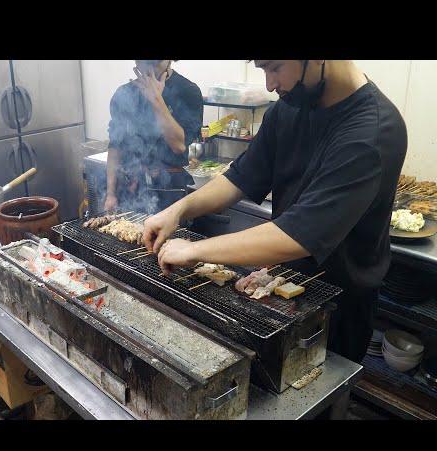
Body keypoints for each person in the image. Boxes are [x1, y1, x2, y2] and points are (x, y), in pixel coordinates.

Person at [143, 60, 407, 363]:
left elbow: (298, 235)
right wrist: (178, 209)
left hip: (337, 308)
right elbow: (240, 177)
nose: (269, 84)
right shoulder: (290, 106)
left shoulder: (372, 132)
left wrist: (194, 250)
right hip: (278, 284)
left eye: (275, 67)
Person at [104, 60, 203, 214]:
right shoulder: (124, 94)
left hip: (170, 189)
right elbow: (115, 146)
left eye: (156, 62)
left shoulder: (188, 91)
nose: (150, 67)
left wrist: (156, 100)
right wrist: (110, 194)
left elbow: (178, 145)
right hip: (132, 187)